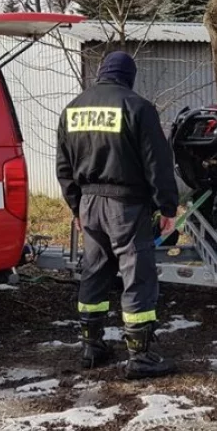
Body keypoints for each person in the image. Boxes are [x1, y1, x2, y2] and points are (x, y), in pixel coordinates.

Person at [56, 51, 179, 379]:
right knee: (136, 273)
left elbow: (64, 167)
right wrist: (167, 207)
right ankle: (140, 357)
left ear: (101, 74)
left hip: (89, 204)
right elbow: (158, 164)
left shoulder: (73, 110)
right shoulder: (138, 107)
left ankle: (91, 347)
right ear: (129, 76)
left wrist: (75, 207)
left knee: (94, 272)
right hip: (126, 206)